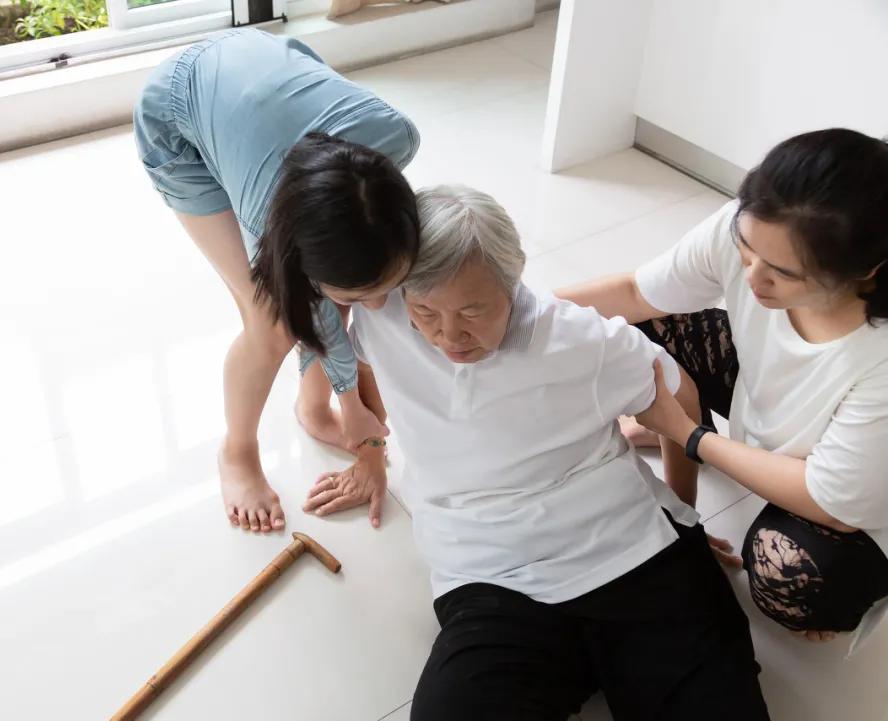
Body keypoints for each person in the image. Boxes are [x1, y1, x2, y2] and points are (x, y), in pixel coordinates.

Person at [307, 185, 769, 720]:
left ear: (514, 283)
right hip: (493, 578)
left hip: (632, 553)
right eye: (427, 312)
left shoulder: (582, 340)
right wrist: (369, 445)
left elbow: (679, 396)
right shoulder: (382, 313)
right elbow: (336, 321)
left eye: (473, 311)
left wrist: (681, 508)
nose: (448, 335)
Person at [559, 129, 888, 648]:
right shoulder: (760, 227)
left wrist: (688, 433)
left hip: (853, 503)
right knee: (627, 334)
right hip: (772, 420)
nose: (754, 277)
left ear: (866, 273)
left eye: (783, 273)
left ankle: (856, 587)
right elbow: (635, 293)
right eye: (746, 248)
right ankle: (698, 459)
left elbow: (831, 503)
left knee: (789, 579)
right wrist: (513, 317)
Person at [134, 29, 421, 533]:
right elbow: (309, 311)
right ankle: (237, 450)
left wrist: (361, 425)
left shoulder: (397, 138)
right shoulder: (270, 213)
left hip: (262, 65)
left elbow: (356, 302)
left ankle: (312, 409)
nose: (380, 306)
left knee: (346, 279)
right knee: (270, 323)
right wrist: (358, 414)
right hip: (177, 113)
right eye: (364, 298)